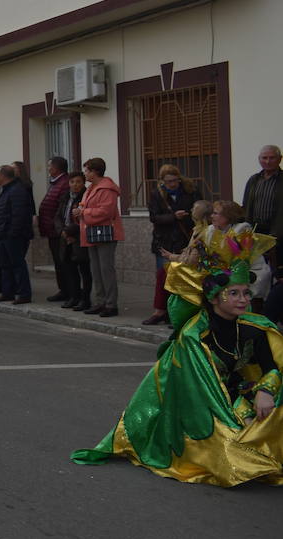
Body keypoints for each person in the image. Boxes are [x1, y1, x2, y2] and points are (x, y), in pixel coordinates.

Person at [71, 227, 282, 485]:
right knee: (239, 456)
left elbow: (272, 367)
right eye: (234, 293)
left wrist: (266, 392)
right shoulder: (195, 337)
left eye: (246, 293)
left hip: (241, 394)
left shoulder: (254, 330)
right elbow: (196, 391)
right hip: (203, 408)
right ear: (214, 298)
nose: (242, 300)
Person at [143, 164, 200, 325]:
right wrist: (173, 216)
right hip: (164, 239)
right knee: (163, 275)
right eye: (168, 182)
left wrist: (185, 217)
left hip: (184, 239)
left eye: (175, 180)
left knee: (180, 277)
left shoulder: (190, 191)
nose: (172, 184)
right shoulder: (157, 194)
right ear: (162, 181)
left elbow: (199, 212)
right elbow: (154, 217)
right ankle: (161, 311)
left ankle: (176, 312)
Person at [75, 157, 124, 317]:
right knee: (95, 270)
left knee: (106, 269)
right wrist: (79, 211)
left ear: (95, 171)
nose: (85, 173)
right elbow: (86, 207)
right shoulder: (91, 189)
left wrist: (83, 212)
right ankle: (100, 301)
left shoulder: (106, 189)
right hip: (91, 232)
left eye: (87, 170)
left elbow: (105, 212)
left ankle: (111, 304)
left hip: (105, 233)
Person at [0, 166, 34, 304]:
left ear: (3, 176)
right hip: (2, 234)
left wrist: (11, 233)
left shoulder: (16, 191)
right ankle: (7, 292)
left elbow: (18, 215)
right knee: (5, 265)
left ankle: (24, 293)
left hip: (12, 236)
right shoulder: (5, 190)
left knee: (17, 264)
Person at [242, 144, 283, 269]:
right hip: (255, 230)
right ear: (259, 159)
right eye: (264, 158)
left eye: (272, 158)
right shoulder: (254, 180)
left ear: (280, 159)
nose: (268, 161)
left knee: (277, 268)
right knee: (257, 267)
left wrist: (276, 234)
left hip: (278, 231)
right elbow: (246, 205)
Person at [38, 157, 73, 302]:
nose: (48, 169)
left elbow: (61, 209)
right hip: (52, 229)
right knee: (59, 263)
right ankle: (63, 290)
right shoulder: (56, 183)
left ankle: (70, 291)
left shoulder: (63, 183)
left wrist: (60, 228)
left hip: (58, 231)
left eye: (49, 166)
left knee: (64, 263)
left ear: (56, 168)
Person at [57, 172, 93, 311]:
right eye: (72, 182)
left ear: (83, 183)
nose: (75, 185)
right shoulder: (65, 197)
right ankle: (74, 297)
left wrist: (70, 231)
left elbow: (84, 219)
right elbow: (58, 217)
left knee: (85, 271)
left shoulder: (86, 196)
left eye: (78, 182)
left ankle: (85, 299)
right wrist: (63, 231)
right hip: (66, 237)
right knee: (70, 270)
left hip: (79, 238)